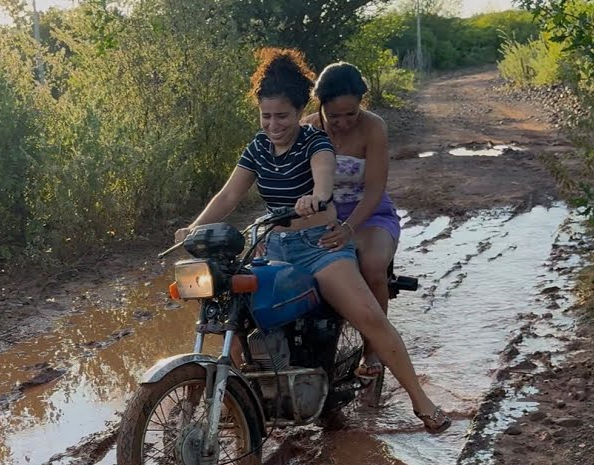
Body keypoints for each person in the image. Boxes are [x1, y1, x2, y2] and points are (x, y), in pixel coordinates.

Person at [174, 48, 449, 433]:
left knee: (370, 317)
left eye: (282, 116)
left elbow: (324, 176)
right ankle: (244, 397)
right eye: (266, 116)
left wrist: (316, 197)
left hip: (319, 246)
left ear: (300, 110)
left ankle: (422, 401)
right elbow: (228, 196)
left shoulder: (315, 143)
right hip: (273, 246)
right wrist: (194, 227)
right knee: (227, 310)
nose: (273, 124)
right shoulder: (256, 148)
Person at [303, 62, 399, 379]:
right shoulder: (306, 130)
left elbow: (374, 190)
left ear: (361, 104)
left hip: (369, 213)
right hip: (322, 216)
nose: (343, 122)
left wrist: (348, 229)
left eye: (351, 114)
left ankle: (373, 351)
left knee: (371, 266)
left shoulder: (374, 128)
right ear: (321, 107)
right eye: (335, 116)